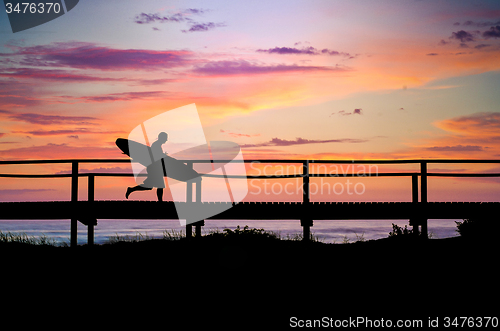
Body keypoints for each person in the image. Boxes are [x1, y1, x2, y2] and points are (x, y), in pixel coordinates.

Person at [126, 132, 168, 201]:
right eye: (165, 138)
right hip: (154, 169)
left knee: (156, 186)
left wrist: (163, 155)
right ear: (162, 138)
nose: (166, 140)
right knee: (156, 186)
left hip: (155, 168)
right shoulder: (156, 145)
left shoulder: (157, 145)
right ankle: (131, 189)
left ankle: (160, 201)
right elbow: (156, 156)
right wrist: (163, 155)